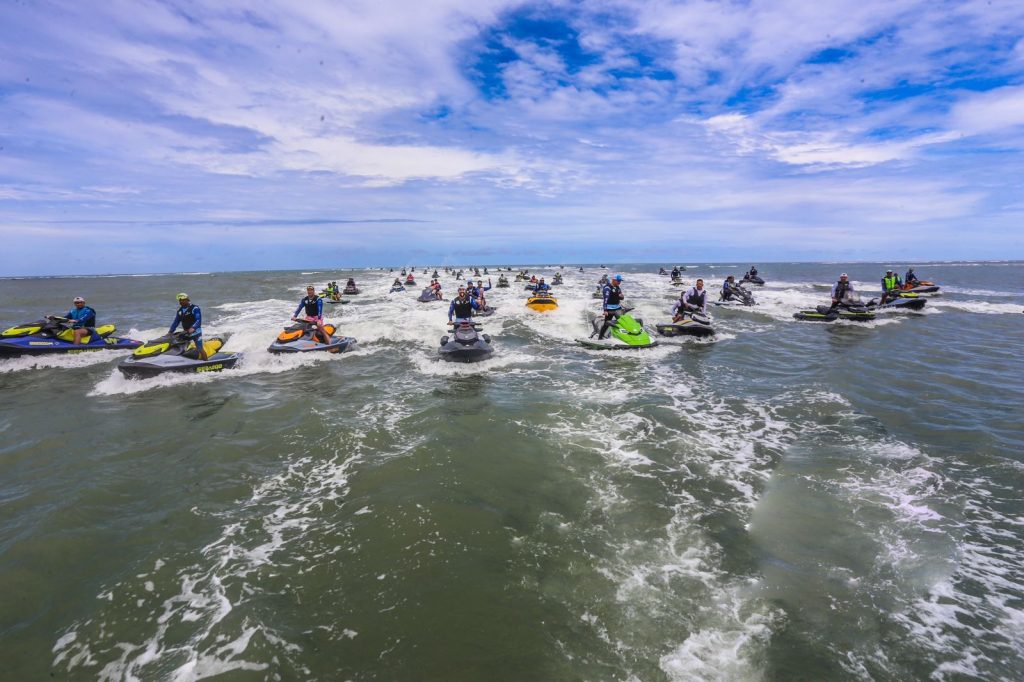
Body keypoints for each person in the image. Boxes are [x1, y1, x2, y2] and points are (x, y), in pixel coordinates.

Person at [170, 293, 208, 360]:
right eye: (180, 300)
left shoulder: (195, 308)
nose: (181, 301)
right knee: (179, 347)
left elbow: (198, 320)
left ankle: (206, 363)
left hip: (196, 332)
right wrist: (170, 332)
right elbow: (176, 322)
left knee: (200, 349)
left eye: (183, 300)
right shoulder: (180, 310)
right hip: (186, 333)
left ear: (187, 300)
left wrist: (193, 328)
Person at [594, 274, 625, 339]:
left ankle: (624, 337)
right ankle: (600, 338)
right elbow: (606, 300)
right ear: (613, 280)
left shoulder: (617, 287)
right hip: (609, 309)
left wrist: (622, 297)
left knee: (623, 322)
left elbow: (621, 297)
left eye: (620, 281)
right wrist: (605, 310)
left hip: (617, 307)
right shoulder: (607, 288)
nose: (619, 282)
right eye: (618, 281)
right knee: (606, 324)